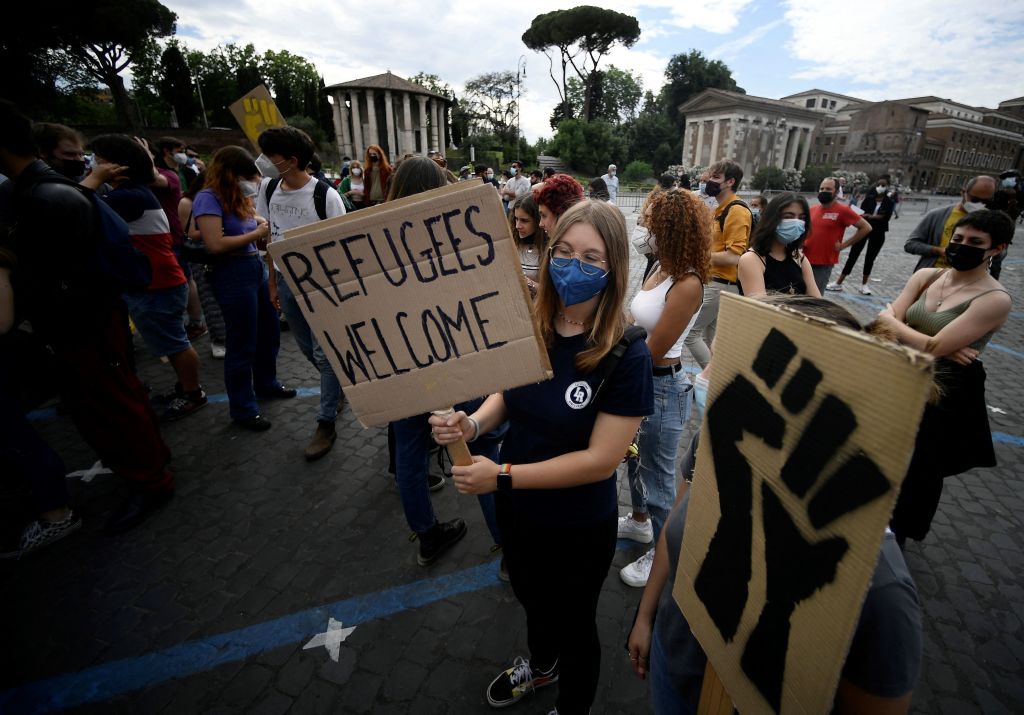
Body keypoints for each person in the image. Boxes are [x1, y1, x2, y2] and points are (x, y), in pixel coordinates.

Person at [628, 296, 923, 715]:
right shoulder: (724, 438)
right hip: (673, 663)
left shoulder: (880, 591)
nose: (710, 375)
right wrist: (646, 616)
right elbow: (679, 524)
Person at [431, 199, 653, 715]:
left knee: (576, 623)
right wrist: (474, 424)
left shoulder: (628, 352)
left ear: (614, 267)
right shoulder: (536, 320)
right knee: (532, 601)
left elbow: (601, 461)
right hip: (519, 511)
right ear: (549, 253)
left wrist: (502, 475)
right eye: (566, 252)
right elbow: (509, 393)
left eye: (592, 259)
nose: (575, 267)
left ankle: (572, 704)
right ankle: (542, 664)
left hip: (576, 524)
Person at [0, 100, 174, 534]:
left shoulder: (52, 198)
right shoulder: (40, 192)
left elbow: (64, 271)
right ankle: (147, 467)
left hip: (85, 321)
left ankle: (151, 480)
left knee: (112, 401)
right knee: (105, 402)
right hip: (76, 323)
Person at [384, 157, 506, 567]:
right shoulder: (456, 238)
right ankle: (506, 546)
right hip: (458, 367)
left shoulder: (377, 242)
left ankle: (427, 533)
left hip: (403, 368)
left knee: (409, 455)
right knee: (482, 442)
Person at [879, 209, 1013, 544]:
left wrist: (901, 325)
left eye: (975, 242)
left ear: (996, 249)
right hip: (900, 374)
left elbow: (901, 327)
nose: (962, 246)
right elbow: (883, 331)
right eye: (958, 239)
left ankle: (898, 538)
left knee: (920, 467)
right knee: (880, 450)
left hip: (944, 390)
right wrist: (931, 342)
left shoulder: (995, 299)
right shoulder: (926, 277)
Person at [618, 188, 709, 588]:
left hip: (661, 389)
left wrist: (612, 366)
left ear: (671, 229)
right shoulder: (659, 268)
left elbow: (652, 351)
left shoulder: (687, 283)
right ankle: (640, 522)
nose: (642, 229)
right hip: (642, 381)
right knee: (634, 459)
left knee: (659, 478)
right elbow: (638, 322)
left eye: (650, 222)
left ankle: (662, 550)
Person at [86, 134, 207, 422]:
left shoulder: (126, 197)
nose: (92, 164)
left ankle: (193, 393)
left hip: (157, 284)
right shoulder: (135, 192)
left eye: (98, 159)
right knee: (173, 341)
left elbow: (74, 206)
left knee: (175, 344)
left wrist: (92, 180)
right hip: (157, 281)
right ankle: (186, 387)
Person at [255, 126, 347, 460]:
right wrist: (272, 281)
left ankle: (326, 422)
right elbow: (270, 241)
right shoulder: (267, 189)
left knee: (325, 356)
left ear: (292, 160)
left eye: (270, 156)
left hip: (321, 287)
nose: (263, 161)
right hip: (285, 282)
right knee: (309, 350)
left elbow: (341, 248)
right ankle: (335, 387)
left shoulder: (326, 196)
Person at [193, 146, 294, 431]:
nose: (253, 181)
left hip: (254, 268)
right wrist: (256, 233)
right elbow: (215, 244)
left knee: (269, 329)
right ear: (232, 173)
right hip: (231, 273)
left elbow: (247, 221)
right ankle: (243, 407)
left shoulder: (237, 197)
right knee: (242, 342)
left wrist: (258, 222)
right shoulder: (207, 198)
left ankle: (266, 383)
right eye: (248, 175)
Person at [683, 160, 751, 369]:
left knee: (690, 334)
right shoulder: (720, 208)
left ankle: (712, 378)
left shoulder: (736, 210)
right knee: (712, 338)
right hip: (715, 281)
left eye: (715, 178)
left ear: (730, 182)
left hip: (721, 283)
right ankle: (718, 378)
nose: (709, 182)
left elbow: (734, 256)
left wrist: (699, 255)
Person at [904, 175, 997, 273]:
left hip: (967, 279)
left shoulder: (991, 221)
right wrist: (938, 250)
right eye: (975, 200)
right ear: (963, 192)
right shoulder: (936, 215)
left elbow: (997, 254)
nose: (980, 204)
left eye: (985, 201)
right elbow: (910, 244)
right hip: (932, 273)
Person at [178, 172, 226, 359]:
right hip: (201, 255)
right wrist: (213, 228)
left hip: (223, 251)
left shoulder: (221, 198)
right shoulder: (187, 202)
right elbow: (189, 233)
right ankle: (218, 340)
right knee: (209, 299)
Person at [737, 192, 820, 297]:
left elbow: (817, 301)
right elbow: (760, 308)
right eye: (788, 216)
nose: (796, 222)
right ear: (772, 219)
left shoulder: (799, 258)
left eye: (801, 218)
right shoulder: (752, 259)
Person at [804, 177, 871, 295]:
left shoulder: (842, 210)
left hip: (822, 263)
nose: (824, 191)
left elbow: (866, 227)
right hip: (804, 259)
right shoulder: (812, 210)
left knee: (814, 298)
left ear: (836, 192)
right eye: (822, 188)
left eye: (828, 189)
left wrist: (843, 245)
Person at [831, 175, 895, 295]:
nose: (880, 187)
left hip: (878, 232)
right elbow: (861, 213)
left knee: (870, 258)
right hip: (864, 229)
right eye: (879, 185)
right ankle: (839, 282)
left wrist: (871, 216)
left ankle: (864, 285)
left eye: (883, 185)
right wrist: (869, 216)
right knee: (853, 254)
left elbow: (885, 216)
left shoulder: (889, 201)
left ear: (887, 187)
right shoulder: (869, 198)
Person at [510, 194, 546, 298]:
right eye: (516, 219)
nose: (517, 226)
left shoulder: (548, 248)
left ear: (538, 220)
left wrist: (530, 284)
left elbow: (553, 293)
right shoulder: (512, 241)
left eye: (524, 221)